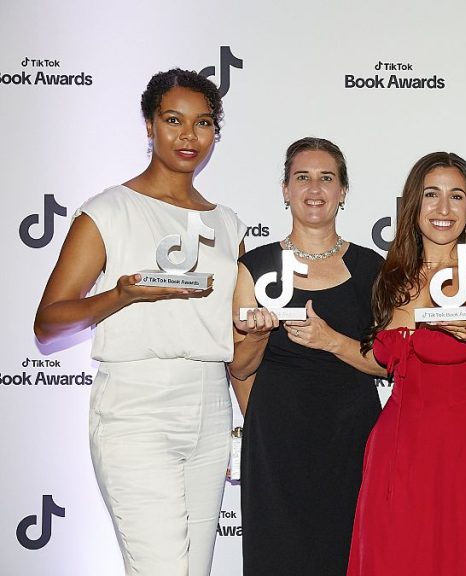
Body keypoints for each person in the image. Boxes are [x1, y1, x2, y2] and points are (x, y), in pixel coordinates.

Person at [33, 69, 245, 576]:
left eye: (203, 123)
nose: (189, 136)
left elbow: (235, 336)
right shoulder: (107, 211)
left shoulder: (227, 223)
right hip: (136, 408)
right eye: (174, 120)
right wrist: (123, 294)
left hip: (211, 406)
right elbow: (49, 323)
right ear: (149, 125)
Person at [347, 152, 466, 575]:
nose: (443, 209)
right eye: (432, 195)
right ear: (413, 205)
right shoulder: (391, 280)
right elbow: (381, 359)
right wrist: (327, 340)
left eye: (456, 197)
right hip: (396, 451)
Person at [230, 137, 386, 575]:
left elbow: (388, 363)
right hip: (277, 440)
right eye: (302, 177)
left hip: (352, 437)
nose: (313, 189)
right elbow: (239, 367)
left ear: (343, 192)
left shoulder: (372, 269)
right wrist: (259, 337)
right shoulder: (254, 267)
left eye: (326, 178)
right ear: (285, 190)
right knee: (277, 555)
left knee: (348, 554)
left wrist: (331, 339)